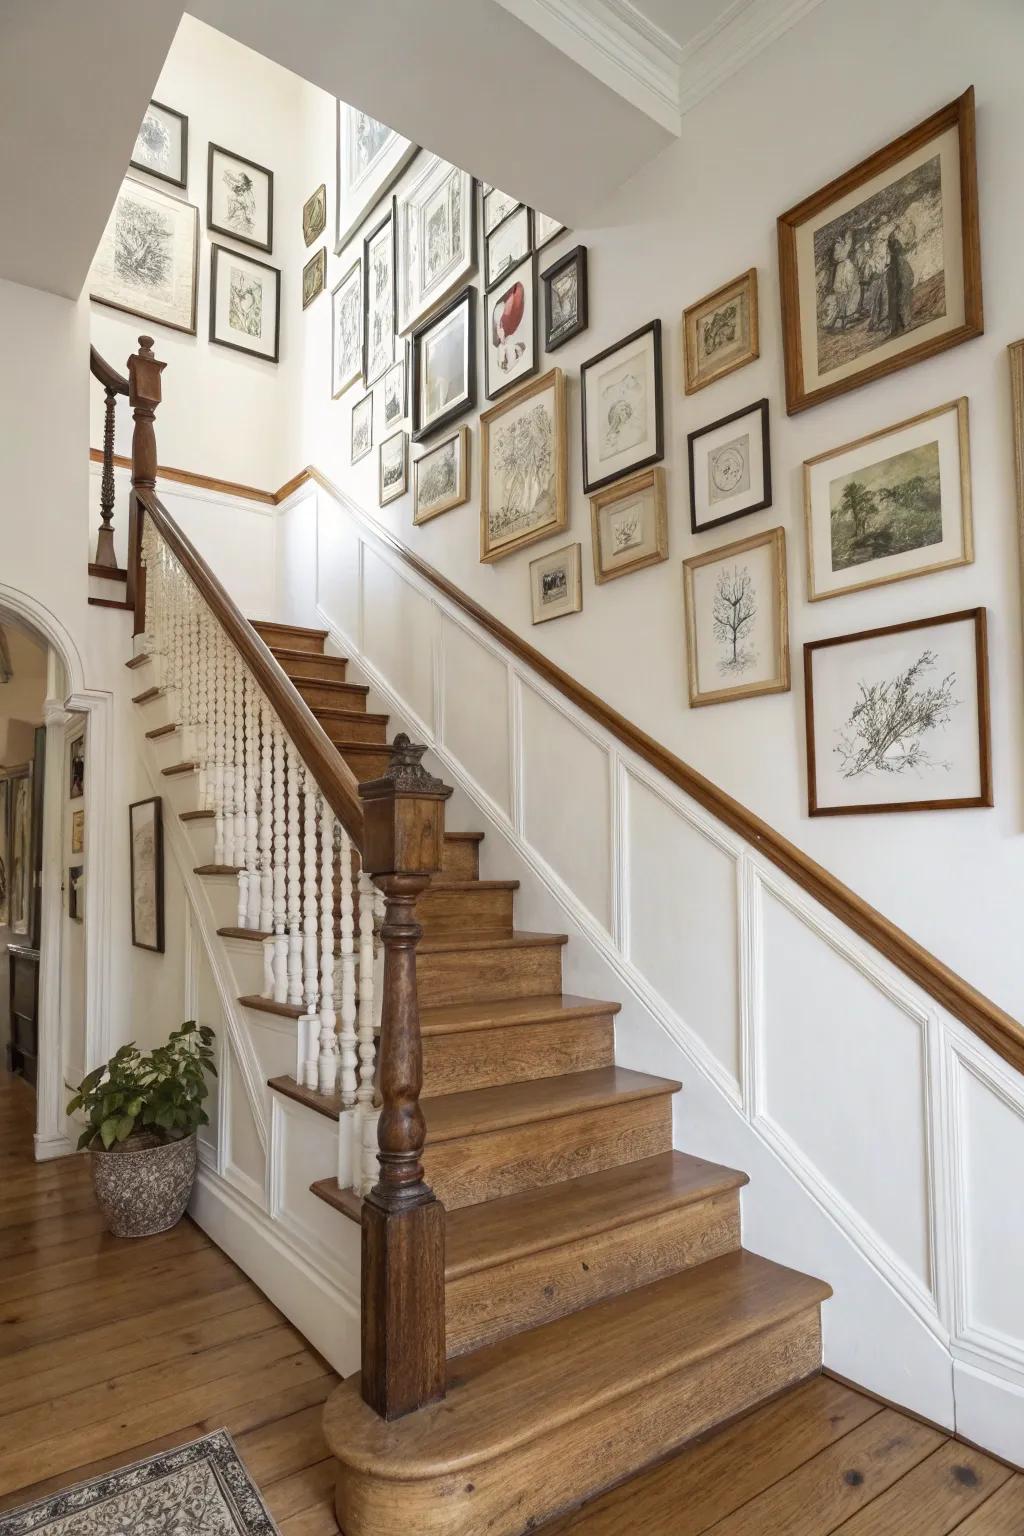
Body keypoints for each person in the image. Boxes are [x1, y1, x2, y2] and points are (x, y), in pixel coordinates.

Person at [829, 229, 861, 329]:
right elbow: (837, 257)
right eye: (847, 236)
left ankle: (848, 315)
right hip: (842, 269)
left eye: (849, 236)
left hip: (847, 268)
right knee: (841, 293)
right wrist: (841, 245)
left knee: (850, 291)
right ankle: (842, 317)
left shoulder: (847, 247)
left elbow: (843, 254)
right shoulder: (839, 247)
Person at [886, 229, 914, 336]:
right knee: (895, 307)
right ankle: (896, 328)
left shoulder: (900, 261)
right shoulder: (893, 264)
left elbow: (907, 277)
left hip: (901, 289)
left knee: (902, 305)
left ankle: (905, 325)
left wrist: (903, 288)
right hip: (896, 290)